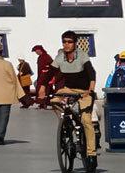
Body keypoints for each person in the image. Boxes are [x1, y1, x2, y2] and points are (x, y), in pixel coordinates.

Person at [51, 31, 99, 172]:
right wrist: (42, 87)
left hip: (84, 91)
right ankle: (65, 122)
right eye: (64, 42)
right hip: (69, 89)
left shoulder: (82, 56)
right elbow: (50, 72)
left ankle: (91, 154)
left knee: (86, 122)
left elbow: (91, 73)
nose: (66, 44)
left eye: (69, 42)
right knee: (54, 100)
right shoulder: (60, 57)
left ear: (75, 43)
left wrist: (90, 89)